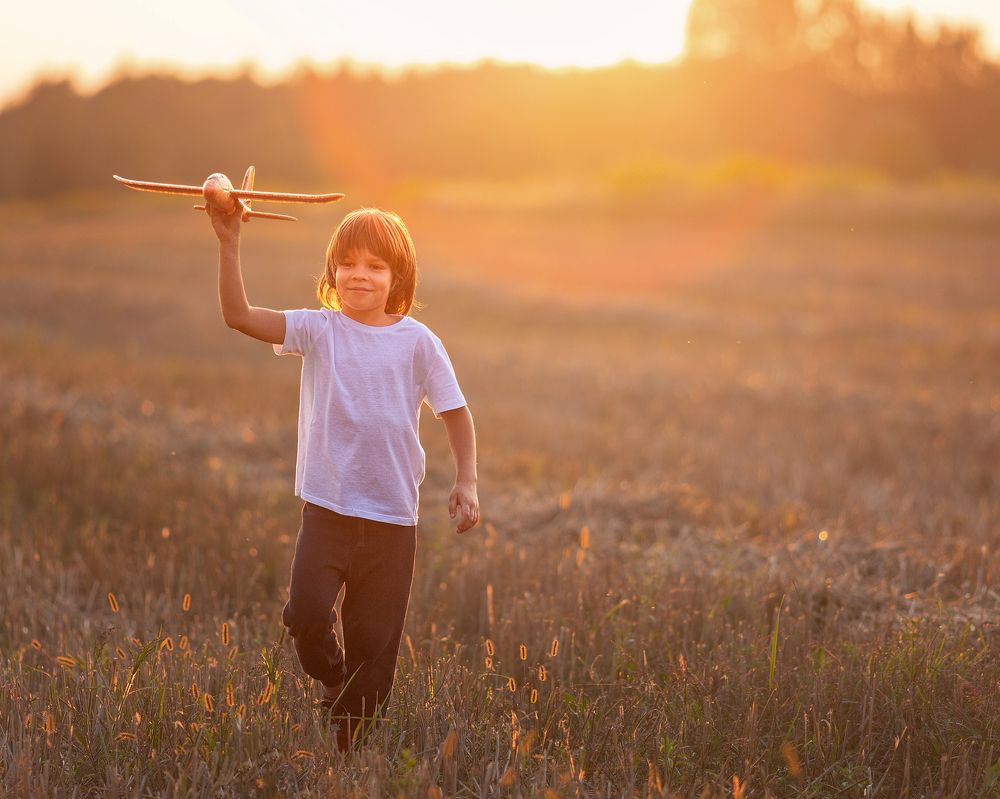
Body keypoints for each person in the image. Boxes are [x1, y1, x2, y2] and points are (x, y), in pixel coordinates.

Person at [207, 202, 480, 751]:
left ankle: (348, 753)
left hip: (391, 522)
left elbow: (456, 413)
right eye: (348, 263)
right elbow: (239, 316)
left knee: (374, 649)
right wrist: (229, 242)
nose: (360, 274)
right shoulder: (318, 330)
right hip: (327, 513)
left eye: (376, 266)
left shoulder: (418, 342)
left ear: (397, 276)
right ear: (331, 270)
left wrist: (466, 481)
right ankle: (331, 679)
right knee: (307, 614)